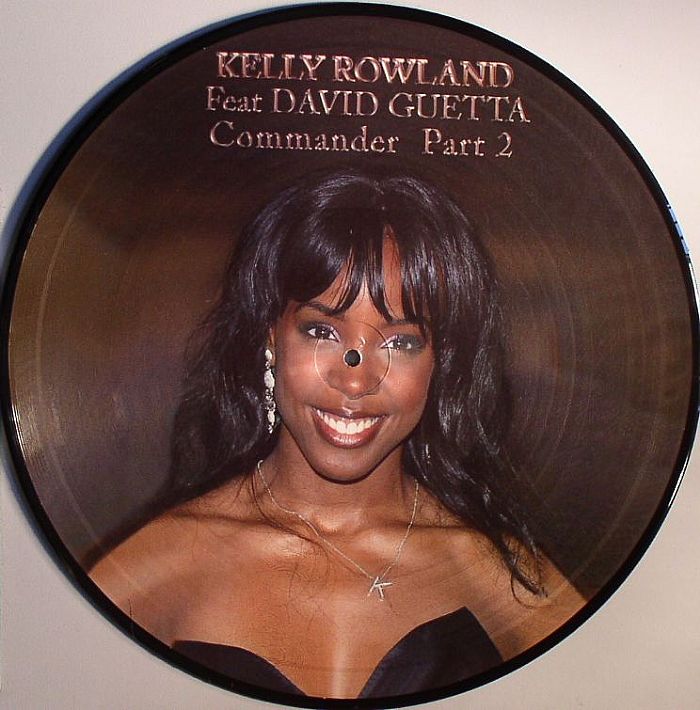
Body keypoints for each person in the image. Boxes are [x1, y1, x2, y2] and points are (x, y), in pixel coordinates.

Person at [90, 170, 584, 701]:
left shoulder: (493, 570)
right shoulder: (159, 564)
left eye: (400, 342)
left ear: (442, 362)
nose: (354, 380)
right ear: (270, 337)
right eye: (321, 331)